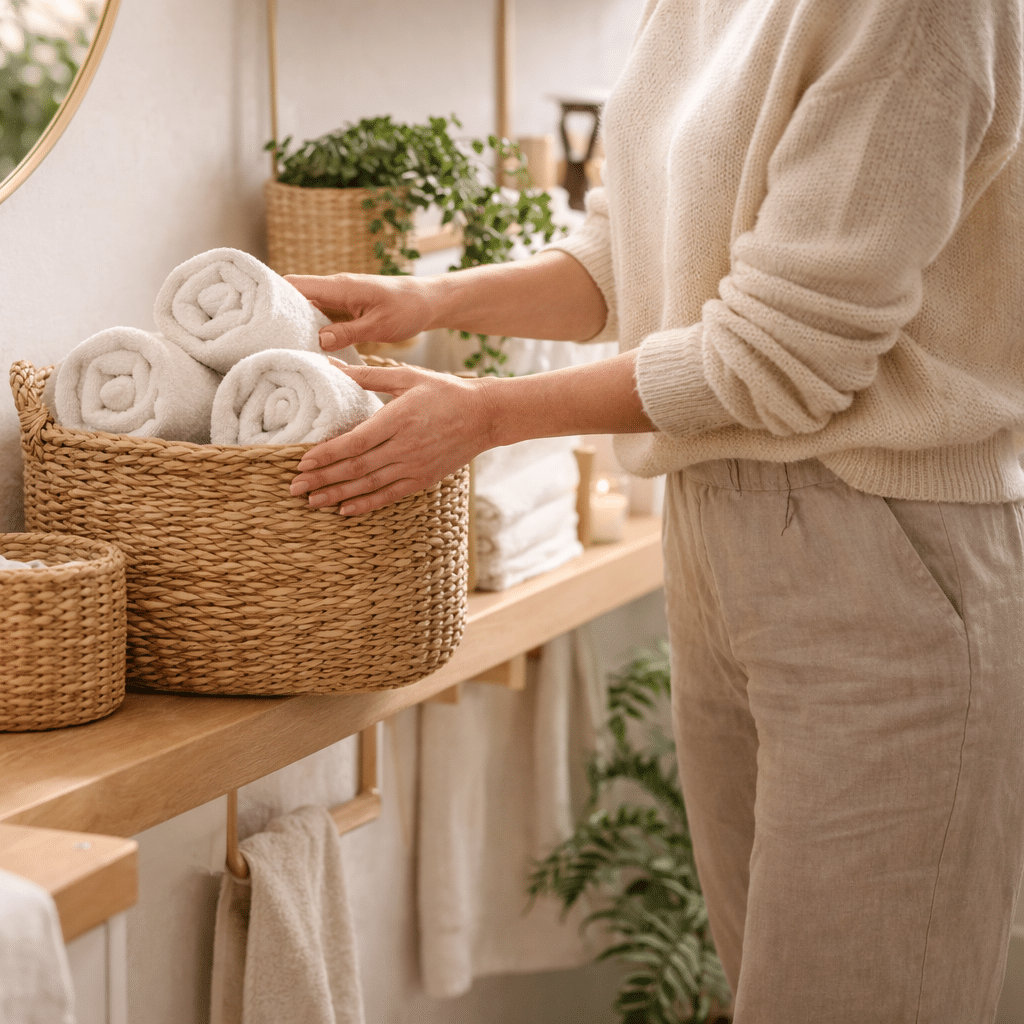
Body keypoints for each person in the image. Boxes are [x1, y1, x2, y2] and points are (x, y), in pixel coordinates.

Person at [288, 1, 1024, 1019]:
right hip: (716, 538)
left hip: (882, 550)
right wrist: (429, 300)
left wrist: (488, 414)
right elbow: (623, 262)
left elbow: (783, 351)